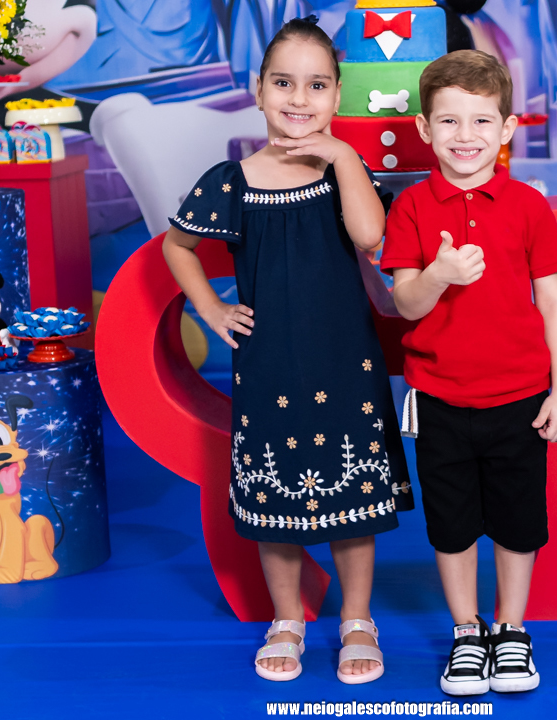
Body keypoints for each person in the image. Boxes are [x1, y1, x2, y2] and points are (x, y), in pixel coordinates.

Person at [162, 17, 413, 685]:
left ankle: (357, 619)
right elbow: (178, 247)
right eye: (283, 83)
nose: (299, 98)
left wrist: (341, 157)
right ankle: (287, 619)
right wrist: (211, 307)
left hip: (346, 359)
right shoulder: (232, 181)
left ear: (337, 95)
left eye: (317, 85)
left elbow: (372, 237)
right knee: (274, 503)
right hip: (268, 363)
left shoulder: (343, 172)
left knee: (354, 498)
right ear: (258, 90)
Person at [380, 50, 557, 696]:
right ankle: (467, 631)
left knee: (519, 522)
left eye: (482, 120)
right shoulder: (411, 208)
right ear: (423, 128)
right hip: (439, 399)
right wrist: (439, 275)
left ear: (507, 128)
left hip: (521, 396)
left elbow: (553, 301)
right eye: (450, 121)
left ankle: (511, 629)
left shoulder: (529, 206)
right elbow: (404, 304)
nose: (466, 136)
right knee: (451, 523)